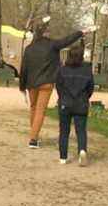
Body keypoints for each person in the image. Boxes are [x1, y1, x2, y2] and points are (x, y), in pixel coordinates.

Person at [19, 19, 87, 149]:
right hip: (46, 83)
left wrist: (22, 86)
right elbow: (67, 40)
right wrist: (81, 32)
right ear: (45, 33)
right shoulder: (52, 45)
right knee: (40, 110)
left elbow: (24, 69)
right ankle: (33, 139)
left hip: (31, 83)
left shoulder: (29, 49)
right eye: (48, 30)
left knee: (33, 108)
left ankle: (34, 135)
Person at [55, 44, 94, 166]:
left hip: (65, 103)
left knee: (64, 131)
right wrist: (85, 98)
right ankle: (82, 150)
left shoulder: (62, 69)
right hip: (81, 103)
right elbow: (90, 88)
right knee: (81, 130)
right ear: (82, 56)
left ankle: (63, 157)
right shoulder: (87, 70)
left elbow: (59, 86)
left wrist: (62, 98)